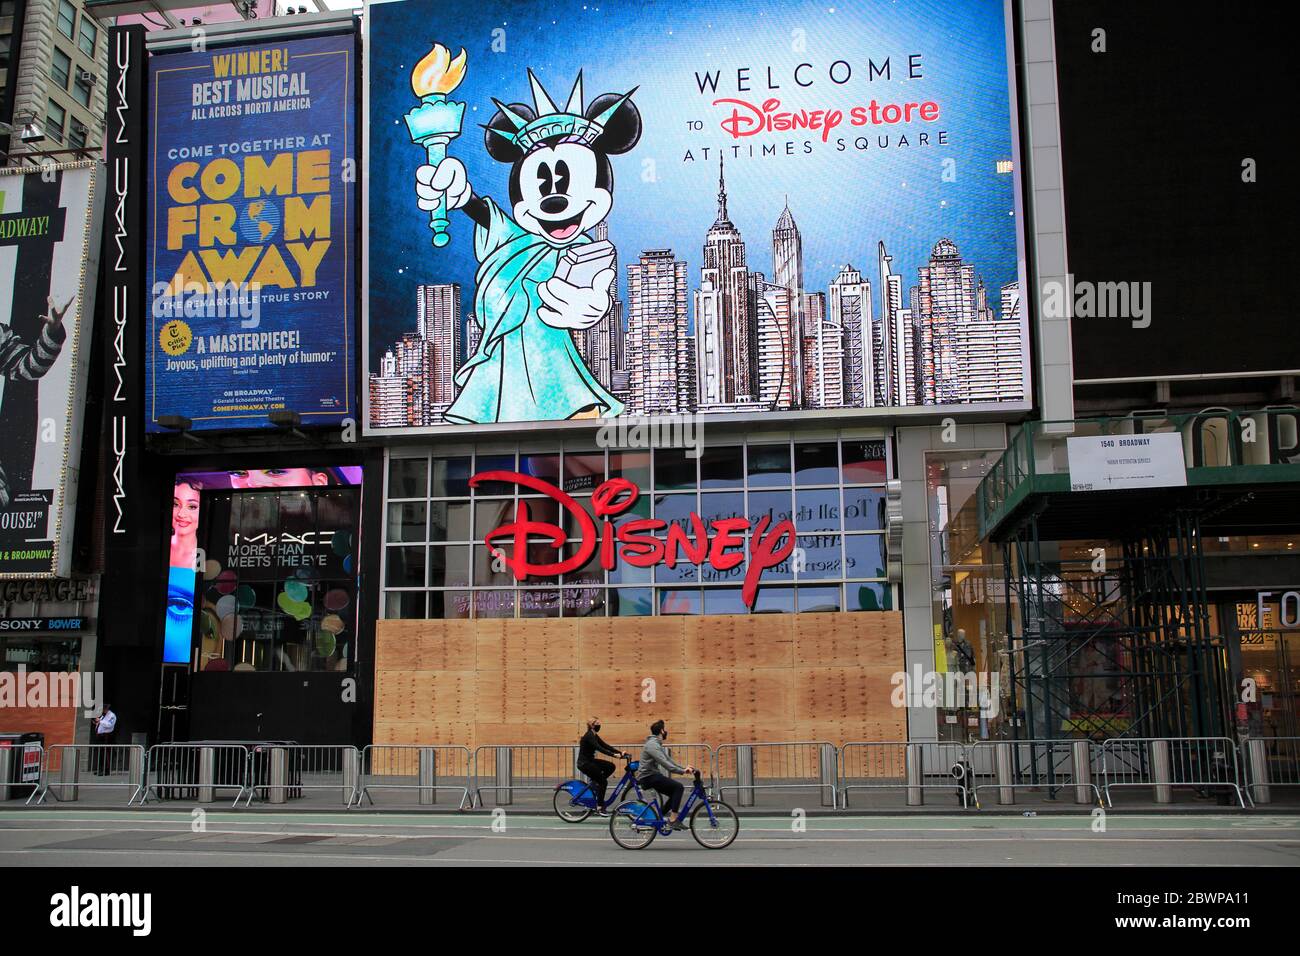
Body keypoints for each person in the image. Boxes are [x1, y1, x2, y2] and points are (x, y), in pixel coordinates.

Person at [637, 720, 695, 830]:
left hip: (652, 775)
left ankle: (659, 817)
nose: (665, 732)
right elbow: (666, 764)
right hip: (648, 777)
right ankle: (673, 820)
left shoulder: (656, 744)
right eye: (664, 730)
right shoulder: (652, 745)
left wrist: (683, 768)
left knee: (674, 793)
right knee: (678, 787)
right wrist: (682, 771)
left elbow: (668, 760)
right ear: (661, 731)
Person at [576, 717, 627, 814]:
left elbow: (605, 745)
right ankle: (600, 806)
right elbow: (599, 748)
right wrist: (613, 755)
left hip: (590, 761)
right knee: (603, 782)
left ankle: (596, 782)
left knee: (611, 766)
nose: (599, 725)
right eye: (597, 723)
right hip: (584, 764)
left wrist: (620, 753)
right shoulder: (589, 736)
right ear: (592, 725)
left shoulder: (594, 735)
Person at [92, 704, 117, 776]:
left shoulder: (111, 715)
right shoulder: (103, 716)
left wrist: (100, 721)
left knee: (106, 754)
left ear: (105, 709)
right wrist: (97, 723)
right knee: (100, 753)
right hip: (100, 737)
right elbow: (101, 725)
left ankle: (106, 770)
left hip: (107, 737)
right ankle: (100, 769)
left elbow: (109, 725)